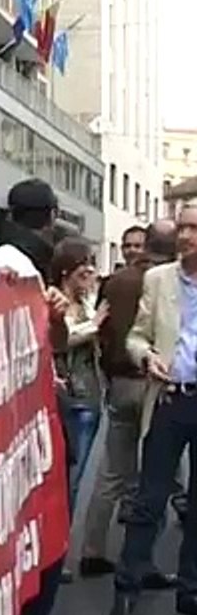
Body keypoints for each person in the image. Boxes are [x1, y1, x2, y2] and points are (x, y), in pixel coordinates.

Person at [0, 179, 71, 615]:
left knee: (45, 520)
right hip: (20, 414)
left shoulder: (15, 260)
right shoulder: (11, 263)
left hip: (34, 408)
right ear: (52, 214)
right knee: (27, 525)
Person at [109, 202, 197, 615]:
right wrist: (145, 357)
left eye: (194, 228)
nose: (185, 236)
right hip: (168, 398)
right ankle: (128, 584)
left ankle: (191, 589)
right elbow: (136, 336)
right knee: (150, 495)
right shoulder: (159, 279)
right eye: (182, 227)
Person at [81, 220, 177, 576]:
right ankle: (142, 558)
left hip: (121, 381)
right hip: (158, 382)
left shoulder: (116, 282)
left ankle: (92, 547)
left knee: (111, 472)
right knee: (158, 471)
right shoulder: (172, 281)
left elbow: (101, 330)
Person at [50, 238, 106, 517]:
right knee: (64, 480)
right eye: (83, 266)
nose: (90, 272)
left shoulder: (86, 301)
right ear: (65, 270)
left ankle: (62, 537)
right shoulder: (53, 302)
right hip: (66, 397)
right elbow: (61, 340)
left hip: (89, 396)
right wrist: (94, 326)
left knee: (75, 478)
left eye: (92, 266)